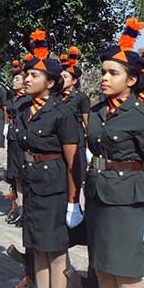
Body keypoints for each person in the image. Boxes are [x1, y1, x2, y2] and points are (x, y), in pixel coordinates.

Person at [84, 18, 144, 288]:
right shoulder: (96, 112)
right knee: (103, 274)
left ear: (131, 80)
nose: (105, 77)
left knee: (127, 279)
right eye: (103, 71)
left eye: (112, 73)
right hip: (99, 199)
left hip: (129, 203)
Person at [13, 29, 79, 288]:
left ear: (50, 83)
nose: (27, 79)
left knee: (56, 251)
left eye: (34, 76)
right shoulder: (22, 110)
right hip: (33, 183)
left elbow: (72, 160)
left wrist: (72, 201)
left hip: (55, 186)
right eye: (26, 74)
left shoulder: (62, 113)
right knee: (37, 248)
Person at [59, 46, 91, 201]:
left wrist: (90, 146)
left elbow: (87, 122)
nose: (61, 79)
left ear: (74, 80)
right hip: (59, 139)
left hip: (76, 139)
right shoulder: (56, 97)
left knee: (76, 174)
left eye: (65, 76)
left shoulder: (81, 98)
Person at [5, 59, 28, 226]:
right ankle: (19, 207)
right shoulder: (12, 99)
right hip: (12, 138)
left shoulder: (28, 100)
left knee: (24, 174)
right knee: (15, 175)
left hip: (23, 138)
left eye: (17, 79)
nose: (14, 81)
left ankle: (27, 209)